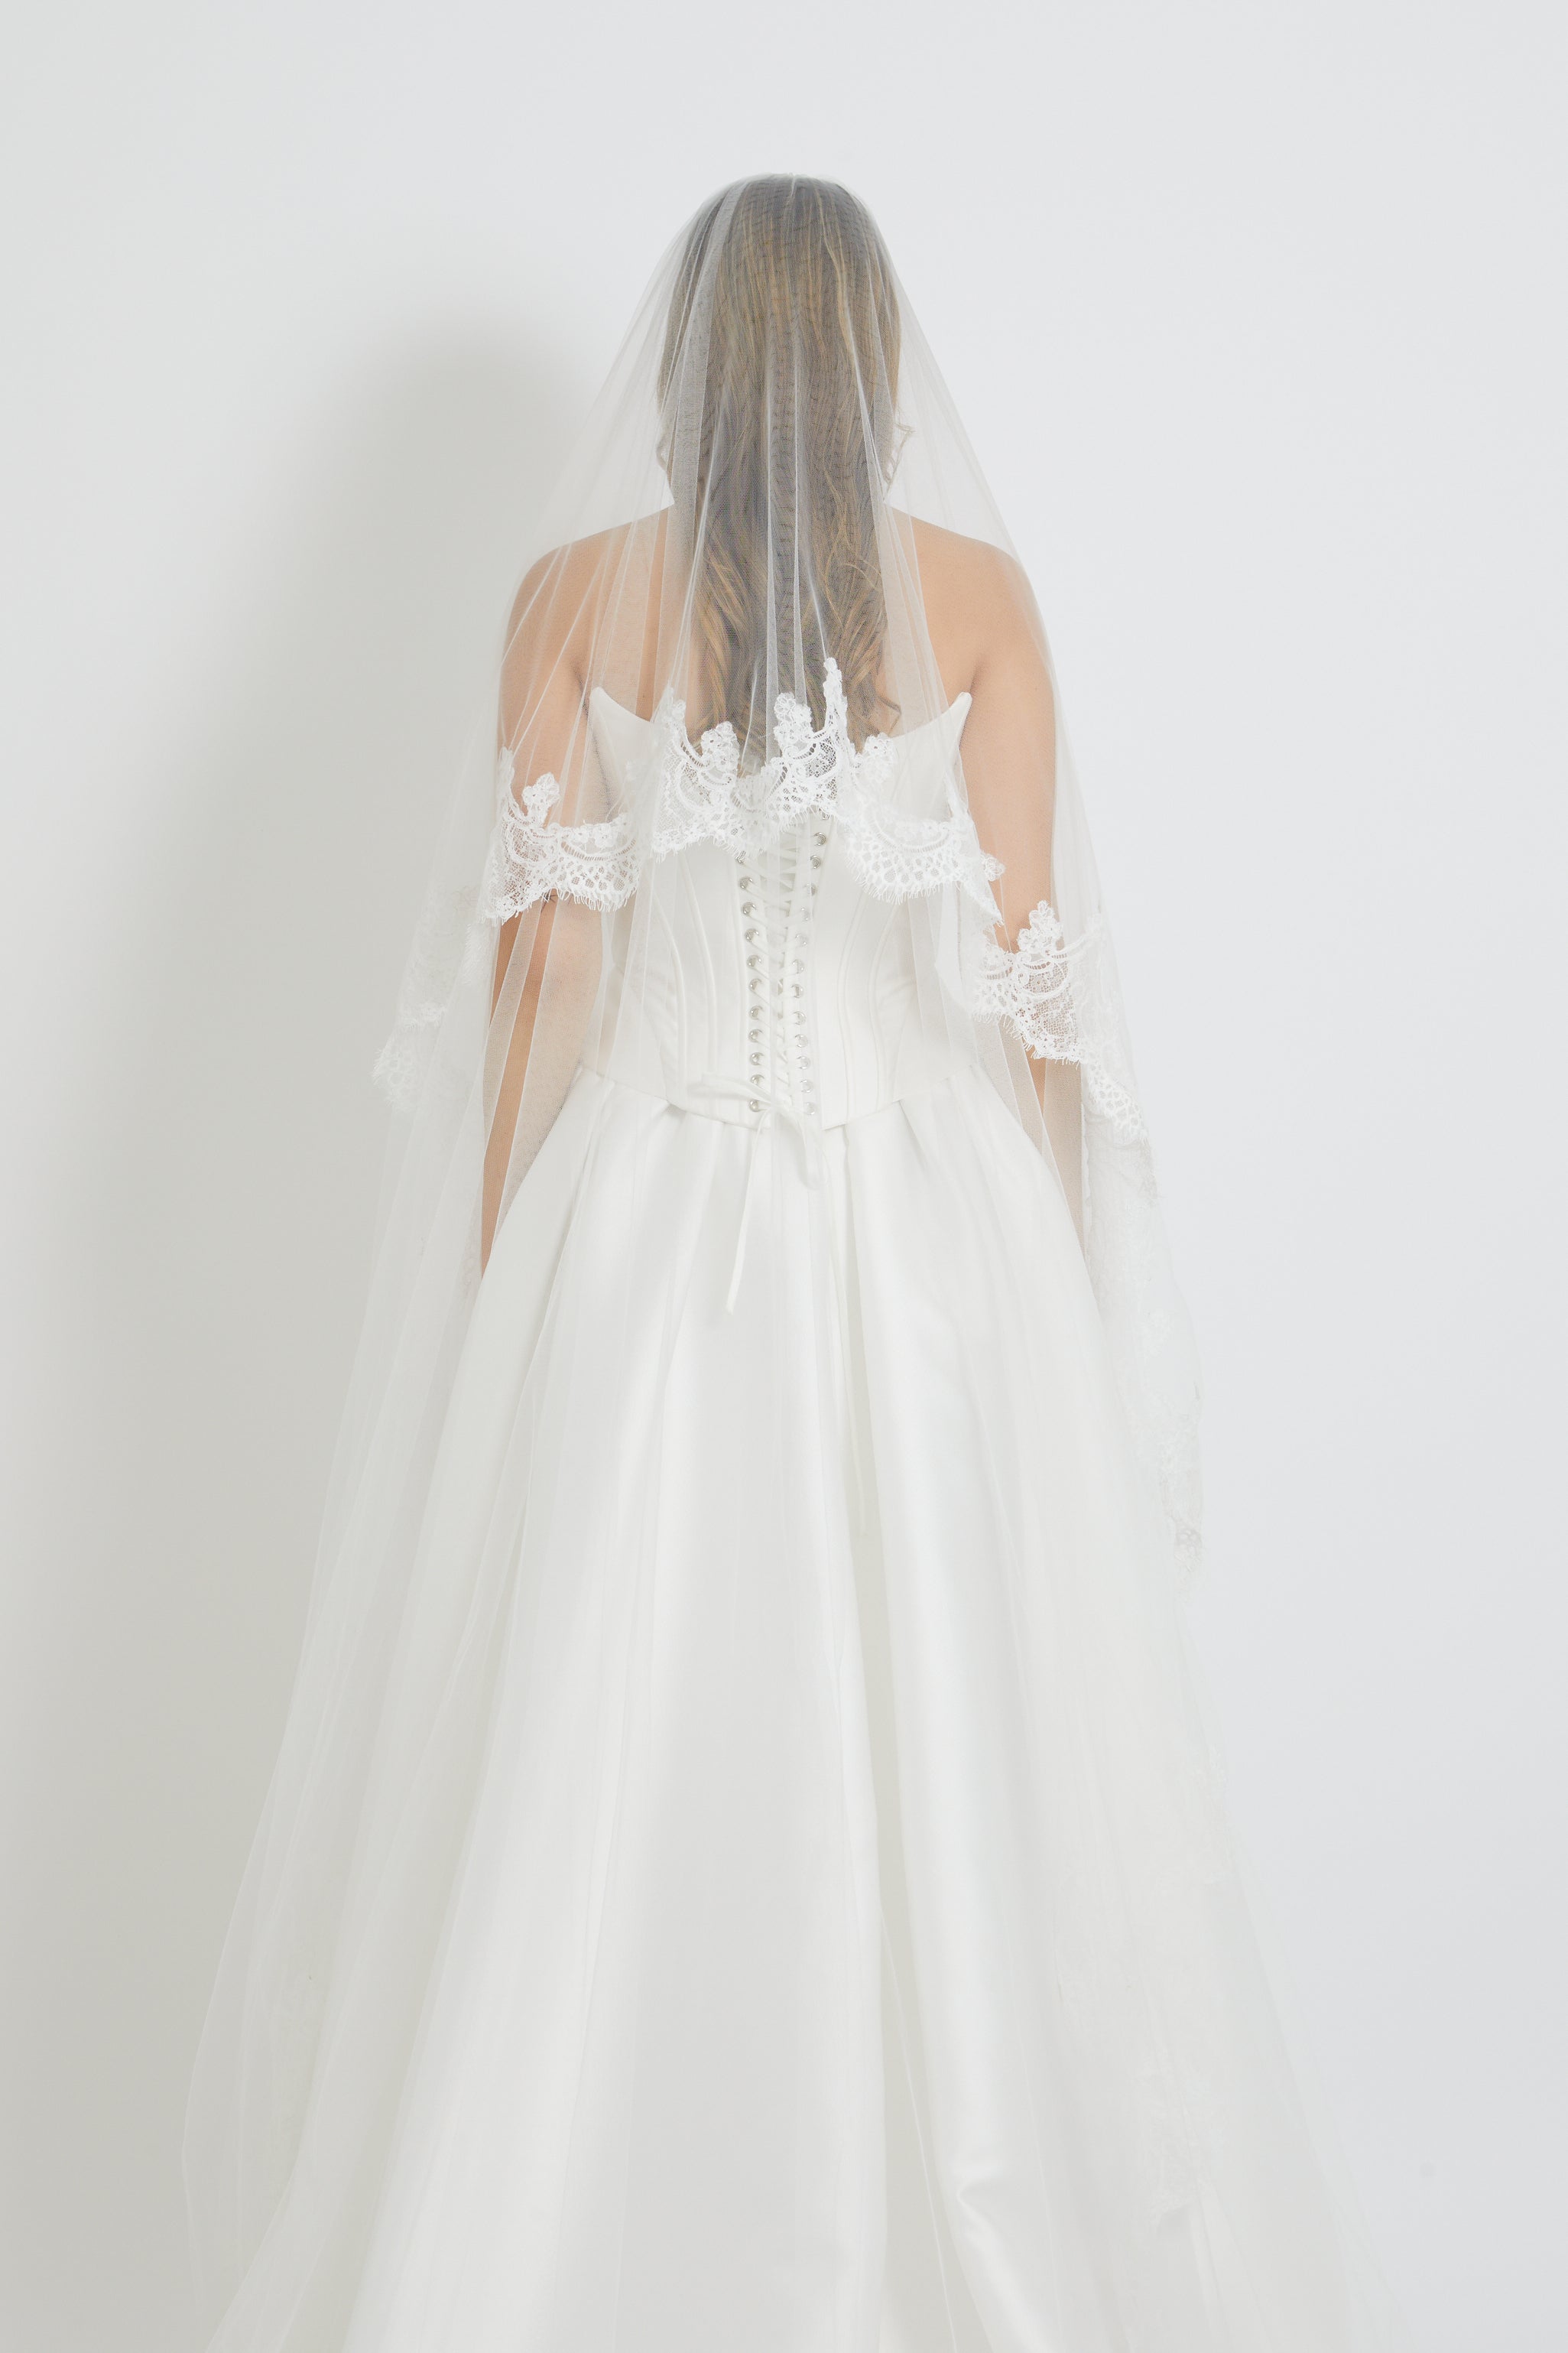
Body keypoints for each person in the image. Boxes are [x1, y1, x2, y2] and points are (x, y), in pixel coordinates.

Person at [186, 175, 1402, 2351]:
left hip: (647, 1225)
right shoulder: (979, 602)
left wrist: (499, 1264)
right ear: (873, 365)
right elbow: (1031, 990)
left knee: (608, 1718)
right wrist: (1055, 1271)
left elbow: (546, 973)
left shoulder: (578, 593)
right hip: (921, 1227)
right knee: (941, 1733)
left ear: (684, 364)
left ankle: (564, 2226)